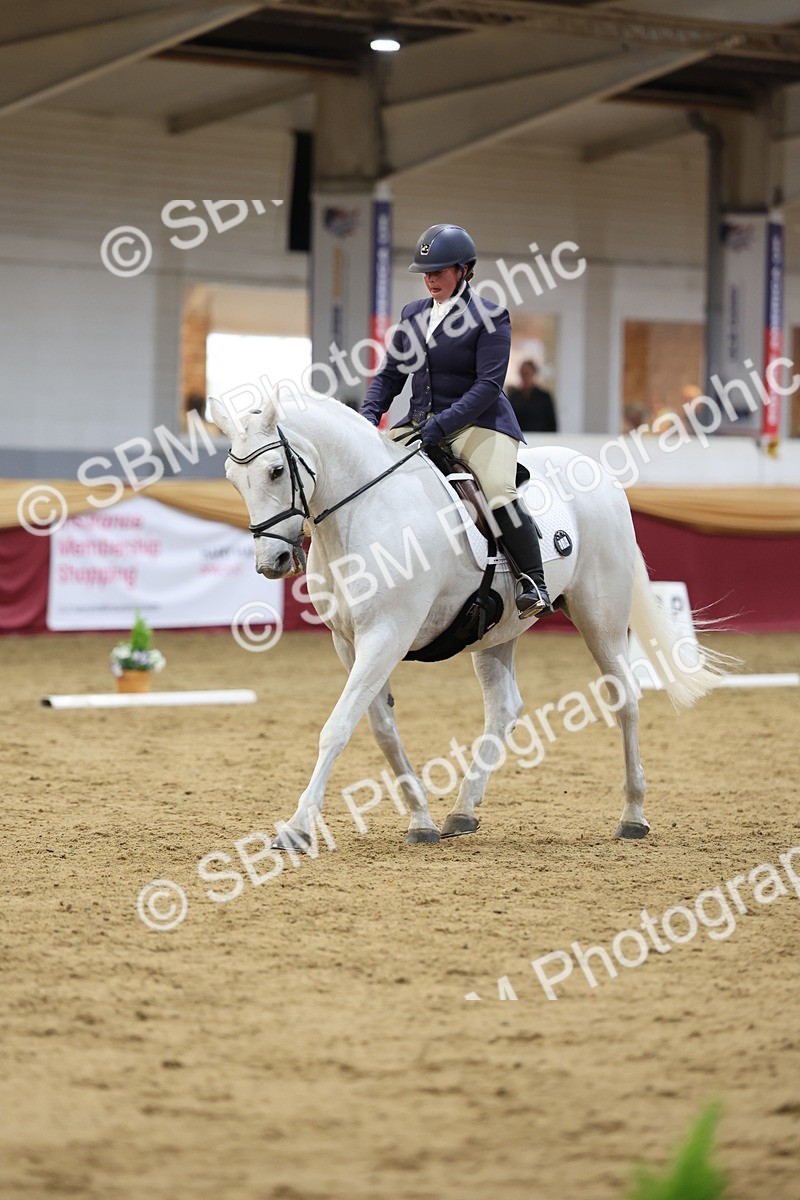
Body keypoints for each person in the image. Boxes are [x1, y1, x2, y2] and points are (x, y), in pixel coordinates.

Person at [360, 223, 551, 618]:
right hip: (420, 422)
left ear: (464, 270)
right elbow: (392, 375)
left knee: (497, 488)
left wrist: (441, 425)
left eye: (440, 271)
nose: (431, 279)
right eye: (426, 273)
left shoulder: (491, 316)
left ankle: (534, 579)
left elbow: (487, 386)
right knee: (369, 472)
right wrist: (367, 417)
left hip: (480, 423)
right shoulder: (412, 314)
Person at [507, 360, 558, 433]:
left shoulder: (544, 397)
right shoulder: (514, 396)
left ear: (534, 374)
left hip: (542, 437)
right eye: (522, 374)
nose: (525, 377)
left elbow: (552, 422)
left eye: (527, 374)